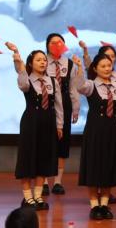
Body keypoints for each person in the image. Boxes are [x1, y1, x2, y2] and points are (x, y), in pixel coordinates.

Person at [4, 42, 62, 211]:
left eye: (44, 60)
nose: (43, 62)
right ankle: (27, 197)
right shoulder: (27, 78)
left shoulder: (53, 81)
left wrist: (59, 125)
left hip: (48, 123)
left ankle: (38, 196)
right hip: (31, 122)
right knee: (28, 158)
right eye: (38, 60)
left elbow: (58, 105)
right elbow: (23, 85)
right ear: (31, 63)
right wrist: (19, 62)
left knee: (44, 158)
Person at [72, 52, 116, 220]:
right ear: (95, 69)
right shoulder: (91, 85)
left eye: (109, 65)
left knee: (109, 166)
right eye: (103, 66)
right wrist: (79, 68)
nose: (107, 68)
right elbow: (79, 86)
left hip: (113, 130)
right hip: (95, 130)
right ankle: (94, 206)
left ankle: (104, 205)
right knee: (94, 166)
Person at [44, 33, 80, 197]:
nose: (56, 45)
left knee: (62, 142)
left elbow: (73, 88)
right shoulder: (42, 61)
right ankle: (44, 181)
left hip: (65, 104)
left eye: (60, 42)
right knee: (45, 142)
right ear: (47, 45)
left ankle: (58, 181)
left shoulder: (70, 64)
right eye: (53, 42)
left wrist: (75, 108)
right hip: (45, 102)